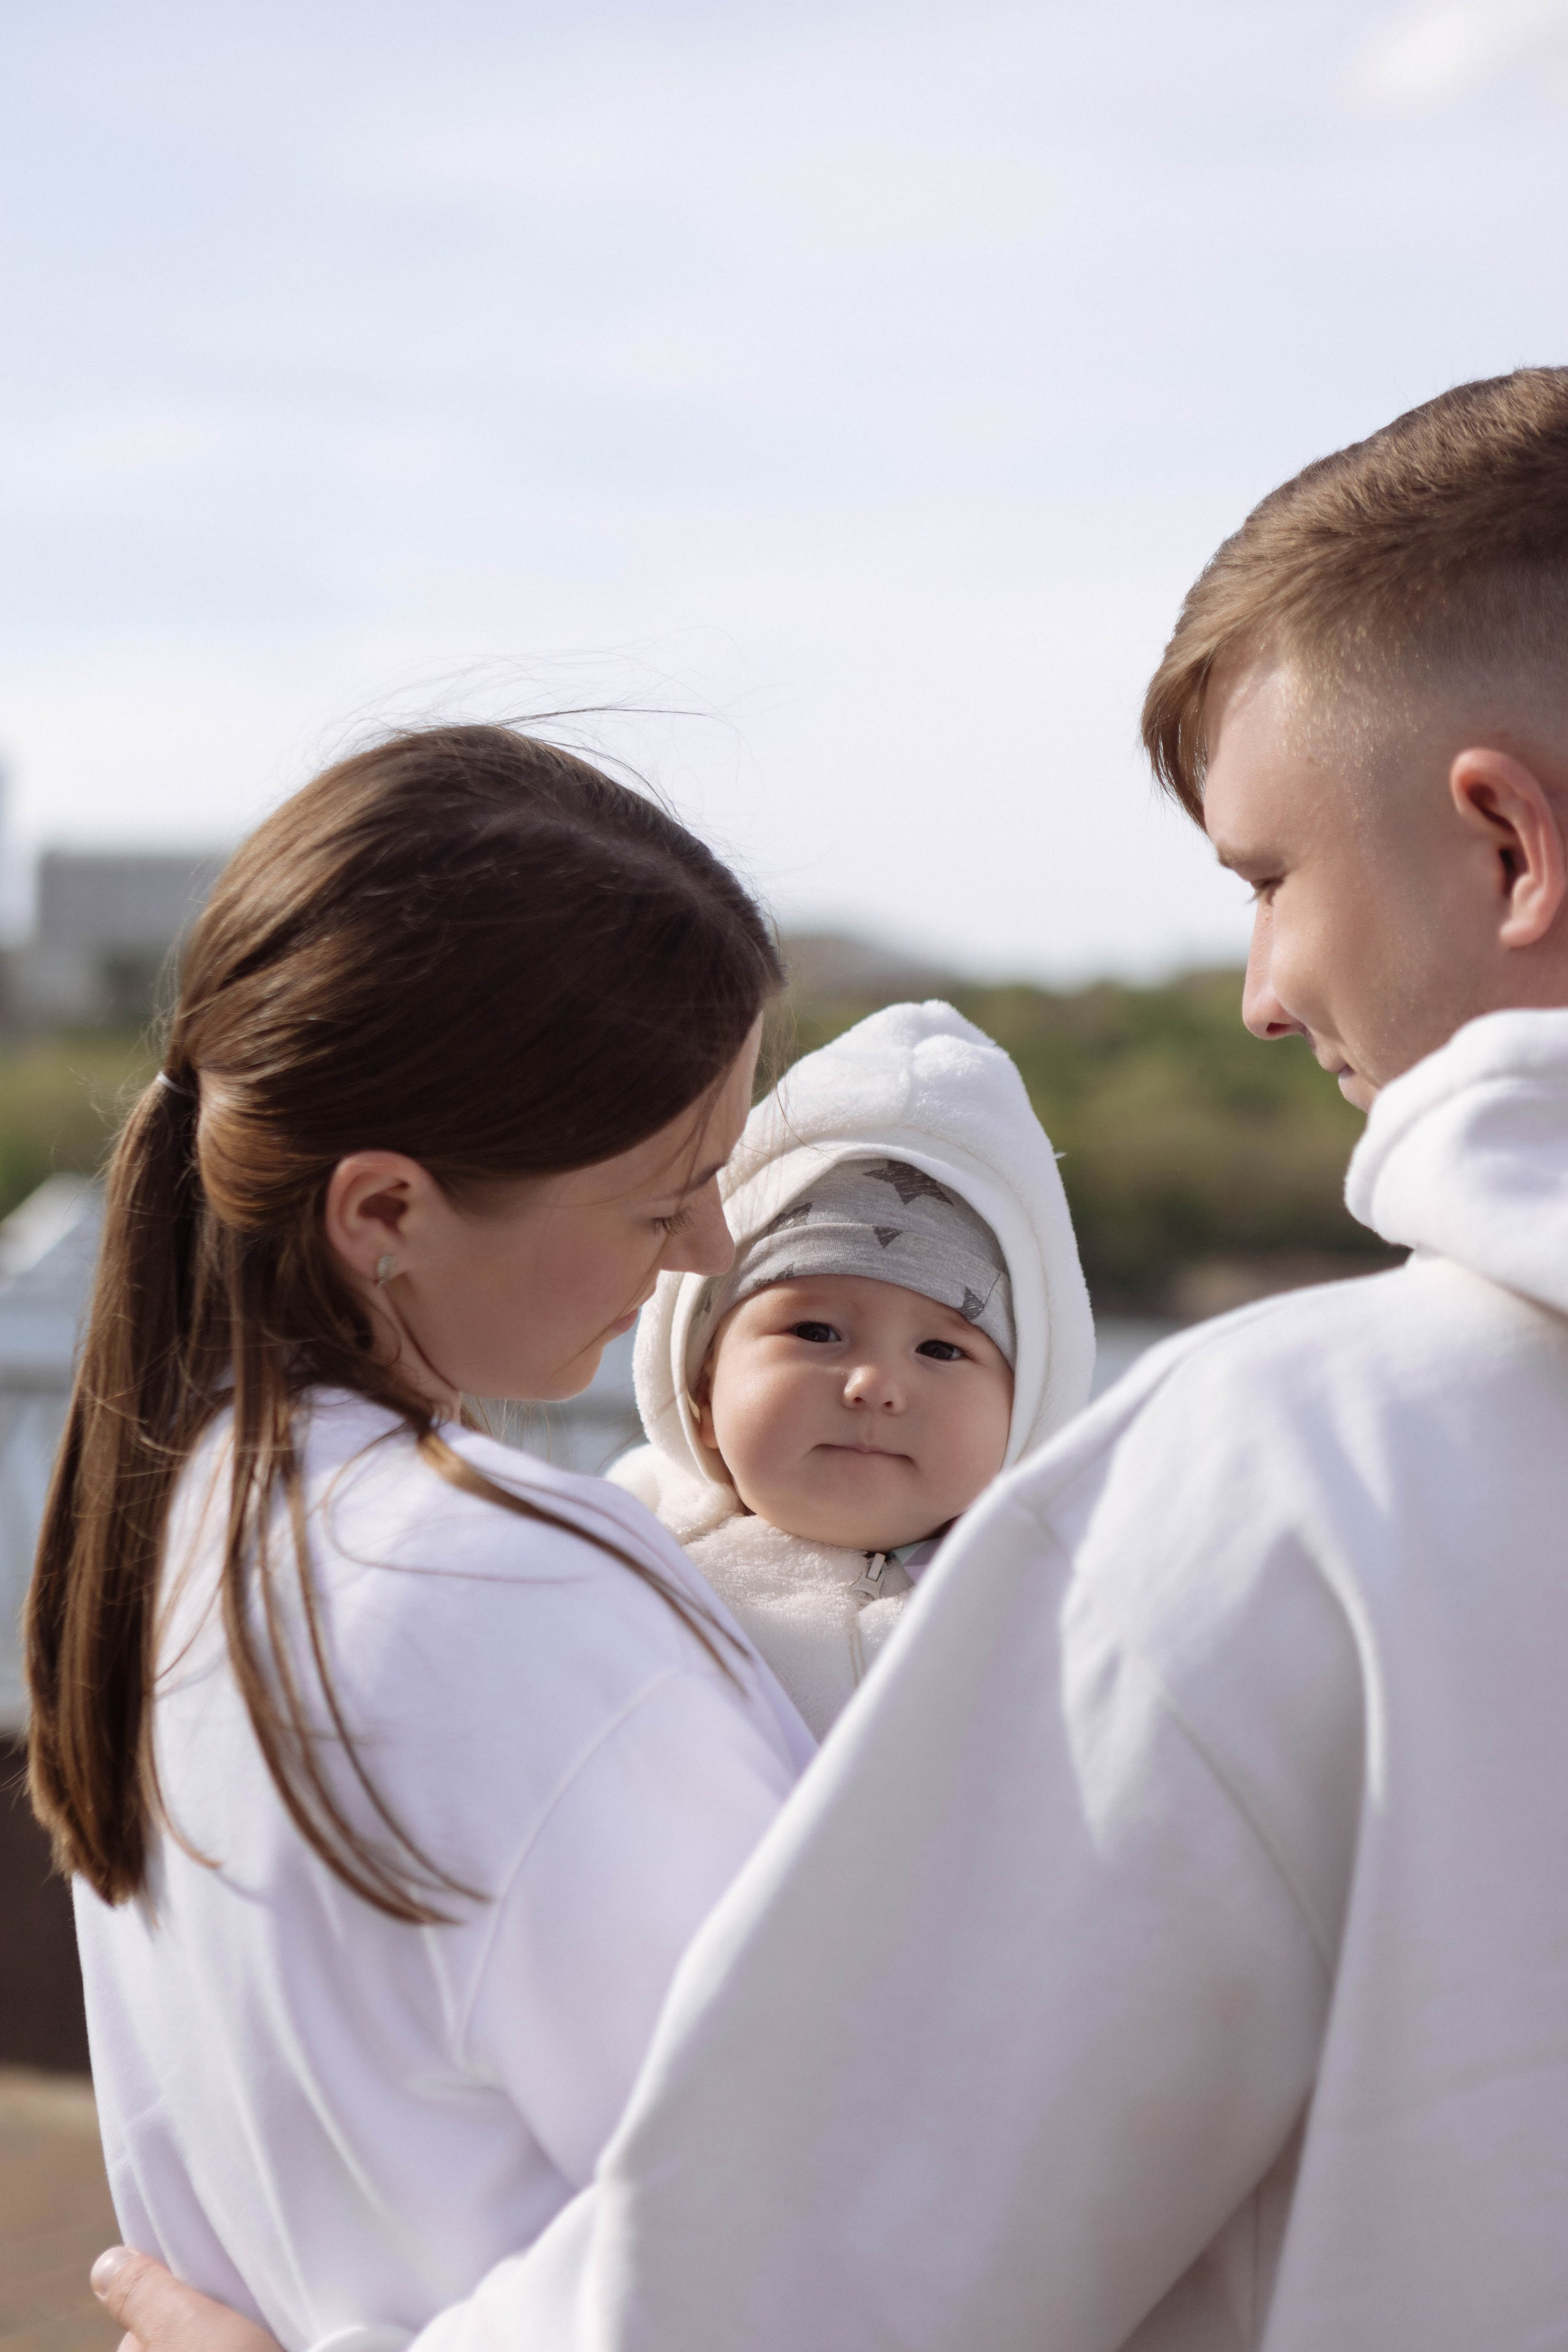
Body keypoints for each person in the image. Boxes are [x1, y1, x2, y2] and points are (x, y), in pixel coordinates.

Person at [92, 366, 1568, 2351]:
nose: (1259, 999)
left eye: (1265, 878)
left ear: (1506, 841)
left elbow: (786, 2294)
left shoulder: (1312, 1477)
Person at [30, 725, 820, 2352]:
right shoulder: (511, 1598)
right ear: (384, 1212)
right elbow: (839, 2260)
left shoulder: (164, 1539)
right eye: (666, 1193)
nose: (712, 1248)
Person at [610, 998, 1094, 1733]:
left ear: (1024, 1411)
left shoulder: (1064, 1611)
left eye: (941, 1349)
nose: (873, 1385)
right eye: (814, 1330)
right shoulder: (623, 1562)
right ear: (700, 1383)